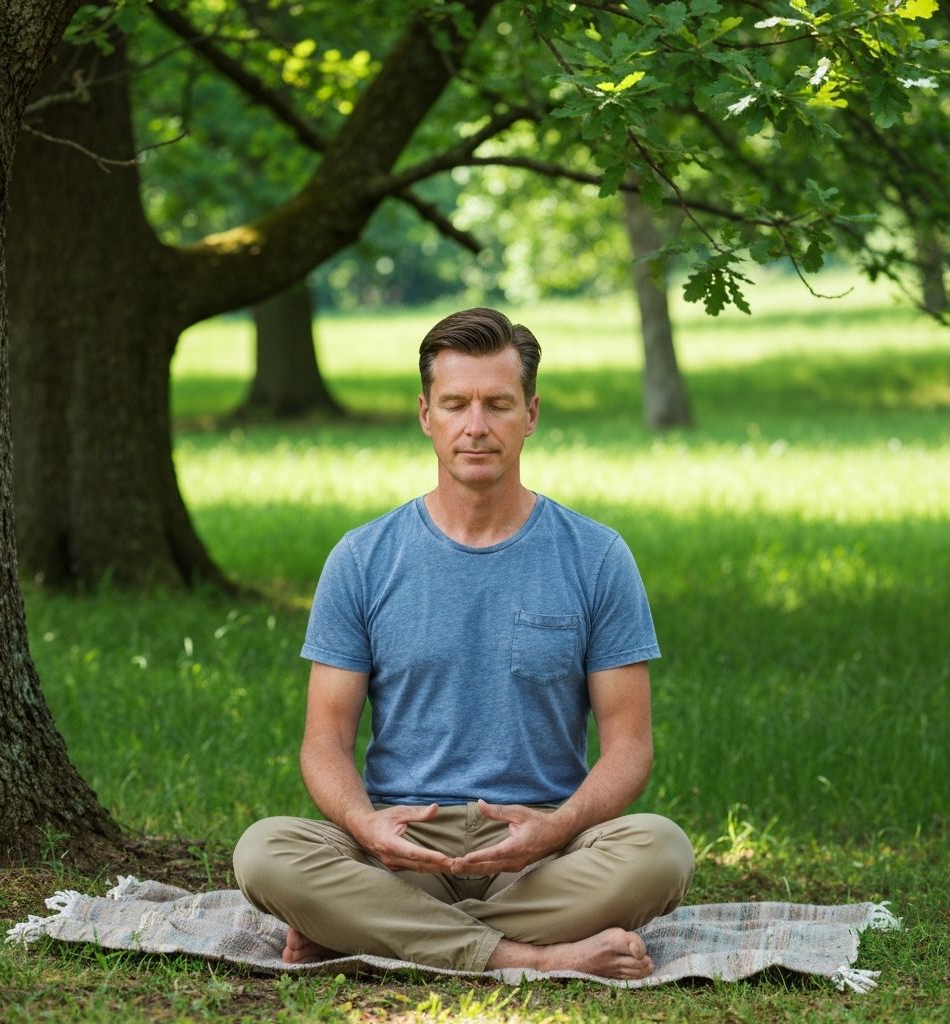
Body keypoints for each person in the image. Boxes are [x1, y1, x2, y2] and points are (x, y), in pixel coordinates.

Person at [233, 308, 693, 980]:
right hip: (400, 854)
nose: (476, 425)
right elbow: (324, 741)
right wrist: (367, 827)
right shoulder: (362, 559)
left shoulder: (597, 557)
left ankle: (369, 932)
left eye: (497, 404)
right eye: (456, 404)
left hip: (541, 855)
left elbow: (629, 747)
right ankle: (529, 957)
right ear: (427, 414)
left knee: (662, 851)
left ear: (530, 414)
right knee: (264, 851)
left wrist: (558, 827)